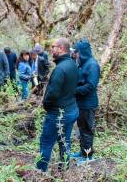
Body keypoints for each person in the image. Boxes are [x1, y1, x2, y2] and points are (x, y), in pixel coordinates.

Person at [36, 38, 79, 172]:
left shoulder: (60, 69)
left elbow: (53, 94)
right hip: (71, 111)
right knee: (64, 142)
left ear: (60, 48)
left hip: (58, 114)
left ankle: (39, 173)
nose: (51, 49)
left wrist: (46, 105)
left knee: (46, 143)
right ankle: (64, 171)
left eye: (53, 47)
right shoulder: (72, 64)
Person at [72, 39, 100, 164]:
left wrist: (72, 90)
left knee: (87, 130)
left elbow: (90, 86)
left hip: (88, 104)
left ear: (82, 52)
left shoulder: (92, 65)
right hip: (80, 103)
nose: (75, 54)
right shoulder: (81, 63)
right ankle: (83, 152)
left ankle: (88, 157)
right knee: (81, 129)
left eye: (76, 52)